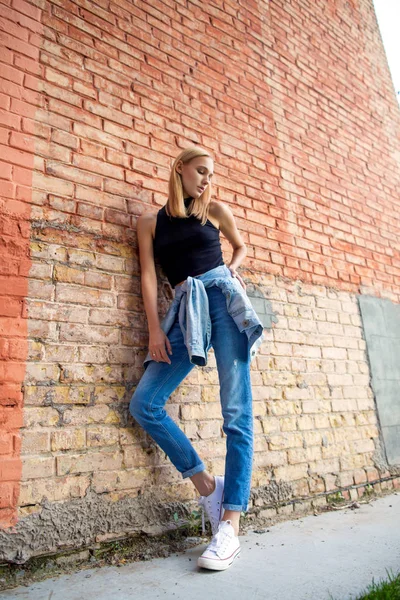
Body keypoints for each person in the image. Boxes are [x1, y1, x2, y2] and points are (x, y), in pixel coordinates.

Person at [129, 146, 264, 571]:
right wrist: (154, 329)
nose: (206, 180)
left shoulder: (215, 211)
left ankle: (230, 525)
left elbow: (239, 247)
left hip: (223, 301)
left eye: (211, 174)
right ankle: (208, 486)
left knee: (236, 413)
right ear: (180, 170)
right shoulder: (150, 223)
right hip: (186, 309)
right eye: (200, 171)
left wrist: (235, 270)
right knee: (144, 404)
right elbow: (149, 276)